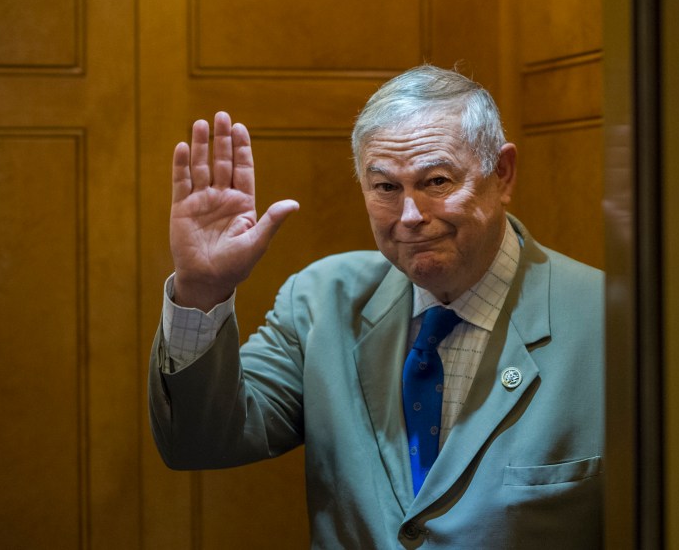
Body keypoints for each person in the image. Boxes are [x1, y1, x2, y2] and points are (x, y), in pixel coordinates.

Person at [149, 64, 604, 548]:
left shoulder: (611, 321)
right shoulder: (321, 302)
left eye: (436, 182)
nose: (410, 216)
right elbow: (198, 440)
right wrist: (202, 290)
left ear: (502, 174)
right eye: (387, 187)